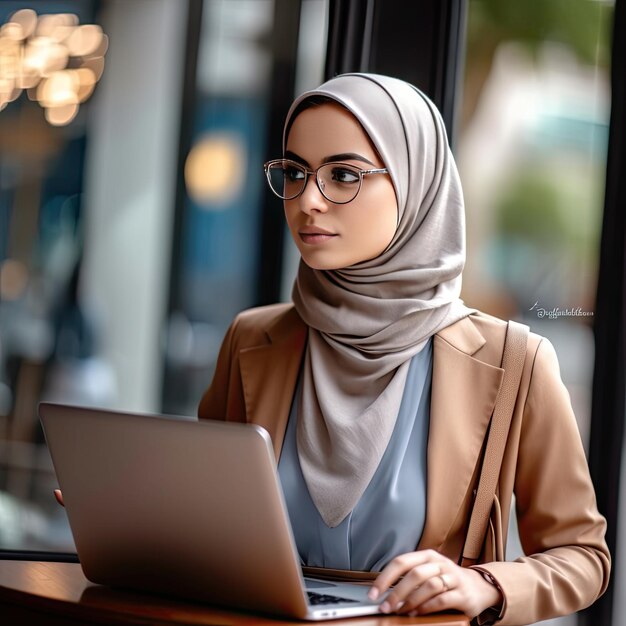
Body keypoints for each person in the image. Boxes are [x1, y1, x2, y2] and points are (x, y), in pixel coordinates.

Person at [197, 73, 610, 625]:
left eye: (343, 174)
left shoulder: (515, 362)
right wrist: (135, 518)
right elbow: (205, 517)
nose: (309, 201)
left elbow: (584, 557)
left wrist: (482, 583)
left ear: (417, 183)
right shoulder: (252, 339)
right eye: (295, 173)